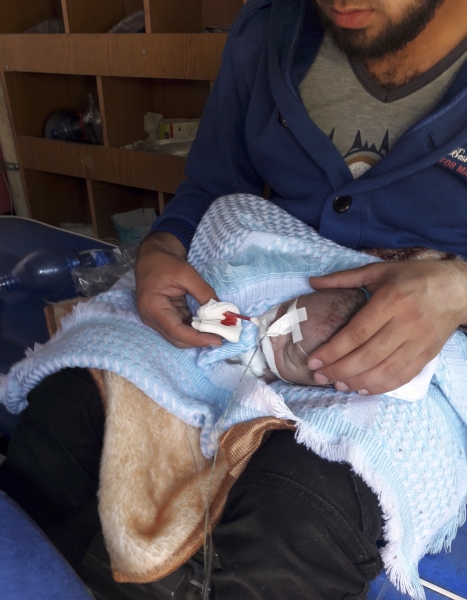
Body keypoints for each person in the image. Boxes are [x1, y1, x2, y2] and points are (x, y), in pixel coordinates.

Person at [1, 1, 467, 599]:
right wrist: (162, 249)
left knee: (297, 513)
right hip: (259, 287)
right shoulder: (269, 31)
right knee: (65, 412)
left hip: (424, 344)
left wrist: (455, 289)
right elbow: (214, 184)